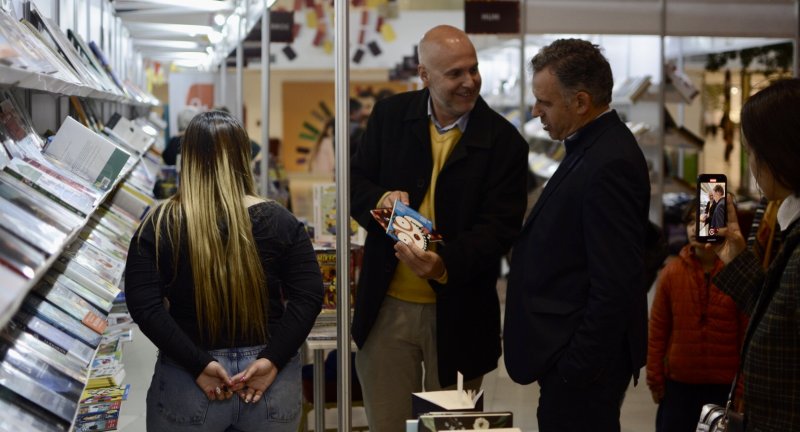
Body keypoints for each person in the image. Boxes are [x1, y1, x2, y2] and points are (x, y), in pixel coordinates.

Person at [350, 24, 529, 432]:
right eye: (455, 73)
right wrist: (381, 202)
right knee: (388, 423)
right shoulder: (390, 116)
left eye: (474, 69)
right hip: (387, 310)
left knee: (451, 427)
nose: (470, 82)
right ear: (424, 75)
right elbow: (355, 182)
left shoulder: (505, 143)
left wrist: (442, 264)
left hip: (461, 315)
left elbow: (499, 230)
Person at [125, 111, 324, 431]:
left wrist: (198, 363)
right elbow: (310, 295)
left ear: (185, 158)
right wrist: (272, 360)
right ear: (245, 157)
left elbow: (144, 305)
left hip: (188, 382)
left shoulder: (161, 224)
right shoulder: (281, 221)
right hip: (268, 386)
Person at [503, 39, 651, 432]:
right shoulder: (592, 147)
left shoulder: (609, 162)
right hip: (572, 360)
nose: (536, 112)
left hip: (583, 371)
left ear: (581, 102)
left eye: (545, 103)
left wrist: (575, 368)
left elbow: (614, 283)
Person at [710, 78, 800, 431]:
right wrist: (734, 256)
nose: (751, 163)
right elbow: (778, 314)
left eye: (752, 152)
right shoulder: (783, 216)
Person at [647, 202, 747, 432]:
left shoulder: (736, 271)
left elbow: (745, 332)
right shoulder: (671, 273)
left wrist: (742, 386)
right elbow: (658, 329)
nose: (694, 228)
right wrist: (655, 377)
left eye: (701, 221)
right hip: (680, 384)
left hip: (723, 386)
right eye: (690, 222)